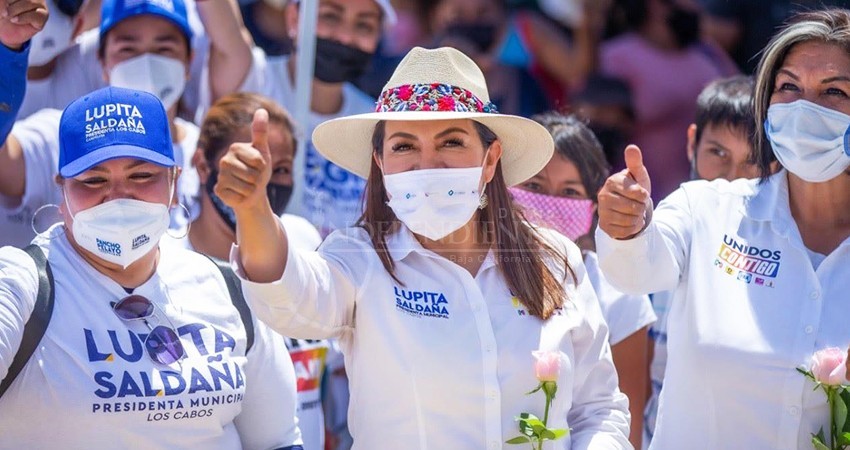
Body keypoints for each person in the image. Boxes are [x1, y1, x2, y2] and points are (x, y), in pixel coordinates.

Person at [215, 45, 631, 449]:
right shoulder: (359, 260)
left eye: (451, 142)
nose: (427, 164)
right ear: (380, 162)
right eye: (404, 146)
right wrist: (253, 210)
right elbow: (290, 294)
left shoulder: (554, 260)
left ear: (490, 160)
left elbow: (597, 408)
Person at [596, 9, 850, 449]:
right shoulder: (706, 209)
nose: (807, 104)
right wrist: (625, 226)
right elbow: (635, 270)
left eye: (834, 91)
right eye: (788, 86)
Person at [0, 86, 302, 448]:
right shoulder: (21, 283)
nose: (118, 196)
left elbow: (278, 440)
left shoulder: (227, 288)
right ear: (62, 190)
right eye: (93, 181)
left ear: (174, 183)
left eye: (141, 176)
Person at [162, 92, 329, 450]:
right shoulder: (167, 264)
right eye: (246, 162)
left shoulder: (304, 240)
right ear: (203, 166)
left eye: (278, 169)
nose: (262, 180)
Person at [510, 112, 655, 449]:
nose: (550, 203)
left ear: (591, 207)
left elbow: (622, 422)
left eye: (570, 191)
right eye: (534, 187)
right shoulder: (480, 275)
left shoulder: (619, 292)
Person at [641, 74, 763, 447]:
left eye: (752, 161)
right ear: (692, 142)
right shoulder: (657, 233)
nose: (731, 177)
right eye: (718, 153)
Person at [208, 0, 395, 237]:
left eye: (364, 25)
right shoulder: (253, 78)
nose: (346, 36)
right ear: (294, 17)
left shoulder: (375, 119)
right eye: (330, 17)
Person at [599, 0, 738, 202]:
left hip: (705, 197)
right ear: (654, 6)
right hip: (640, 200)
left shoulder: (704, 50)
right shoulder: (615, 56)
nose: (694, 6)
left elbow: (740, 93)